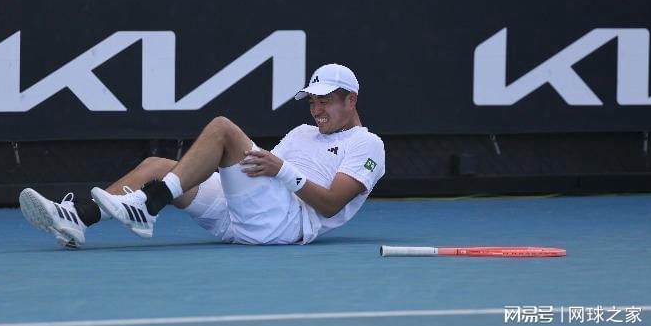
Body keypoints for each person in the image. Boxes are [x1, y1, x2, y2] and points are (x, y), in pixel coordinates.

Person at [19, 63, 385, 248]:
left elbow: (332, 205)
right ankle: (77, 218)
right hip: (244, 216)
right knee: (157, 166)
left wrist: (284, 170)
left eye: (325, 102)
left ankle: (149, 204)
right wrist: (220, 172)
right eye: (312, 102)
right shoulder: (302, 133)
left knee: (223, 128)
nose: (317, 111)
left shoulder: (367, 144)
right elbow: (257, 176)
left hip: (284, 225)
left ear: (351, 100)